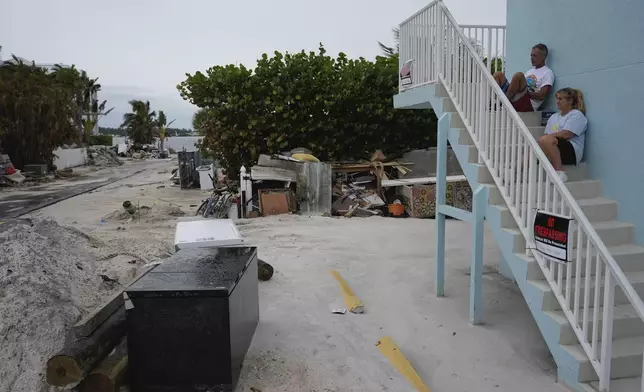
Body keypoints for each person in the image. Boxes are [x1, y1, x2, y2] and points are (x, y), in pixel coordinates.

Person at [538, 88, 587, 183]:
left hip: (572, 151)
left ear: (570, 100)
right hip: (554, 147)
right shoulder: (554, 117)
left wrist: (546, 139)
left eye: (560, 99)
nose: (557, 102)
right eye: (557, 99)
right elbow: (546, 137)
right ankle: (514, 169)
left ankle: (560, 172)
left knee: (546, 140)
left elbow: (566, 134)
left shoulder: (576, 115)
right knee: (536, 145)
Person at [493, 43, 555, 112]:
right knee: (498, 75)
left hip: (528, 102)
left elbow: (542, 95)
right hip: (517, 96)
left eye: (534, 56)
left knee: (518, 75)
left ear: (543, 57)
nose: (531, 58)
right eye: (531, 55)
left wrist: (527, 94)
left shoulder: (548, 72)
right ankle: (497, 101)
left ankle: (503, 103)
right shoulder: (529, 71)